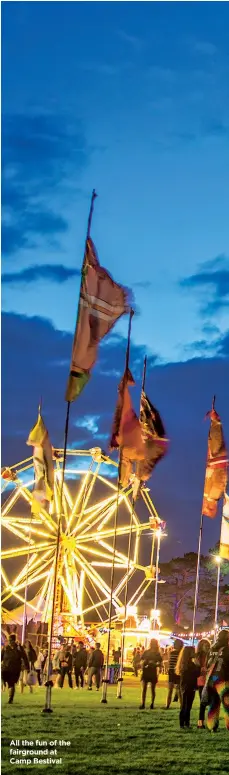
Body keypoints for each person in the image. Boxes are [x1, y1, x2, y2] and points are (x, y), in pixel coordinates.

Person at [203, 629, 229, 732]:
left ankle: (212, 726)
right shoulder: (227, 649)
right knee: (227, 704)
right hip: (222, 680)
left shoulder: (212, 649)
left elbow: (207, 664)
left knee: (214, 703)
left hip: (211, 679)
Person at [176, 645, 200, 729]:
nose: (195, 653)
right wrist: (198, 665)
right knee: (186, 706)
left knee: (187, 706)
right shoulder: (189, 664)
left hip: (187, 686)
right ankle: (183, 724)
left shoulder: (185, 664)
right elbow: (196, 674)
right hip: (188, 686)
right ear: (189, 653)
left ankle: (185, 723)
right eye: (193, 651)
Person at [1, 634, 29, 704]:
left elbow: (25, 657)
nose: (10, 642)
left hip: (15, 669)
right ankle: (5, 684)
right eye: (9, 640)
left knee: (12, 683)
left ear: (14, 641)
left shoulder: (19, 648)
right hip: (5, 668)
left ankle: (10, 699)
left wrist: (27, 667)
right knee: (5, 680)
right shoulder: (5, 648)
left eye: (11, 641)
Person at [139, 639, 162, 710]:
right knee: (146, 689)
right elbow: (142, 660)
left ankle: (149, 704)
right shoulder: (148, 652)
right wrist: (145, 662)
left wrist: (155, 664)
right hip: (147, 670)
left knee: (150, 689)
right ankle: (145, 703)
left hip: (151, 671)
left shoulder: (156, 653)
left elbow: (160, 663)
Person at [194, 638, 211, 729]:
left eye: (208, 645)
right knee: (203, 702)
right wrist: (203, 669)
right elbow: (197, 668)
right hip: (201, 681)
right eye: (205, 645)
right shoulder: (198, 656)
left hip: (210, 680)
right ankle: (200, 722)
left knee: (211, 702)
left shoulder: (211, 655)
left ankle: (211, 721)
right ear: (201, 646)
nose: (207, 647)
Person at [165, 639, 183, 708]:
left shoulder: (179, 653)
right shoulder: (174, 653)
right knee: (174, 690)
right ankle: (169, 705)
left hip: (175, 672)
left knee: (175, 690)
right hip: (174, 672)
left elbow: (170, 662)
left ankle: (169, 705)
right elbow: (170, 662)